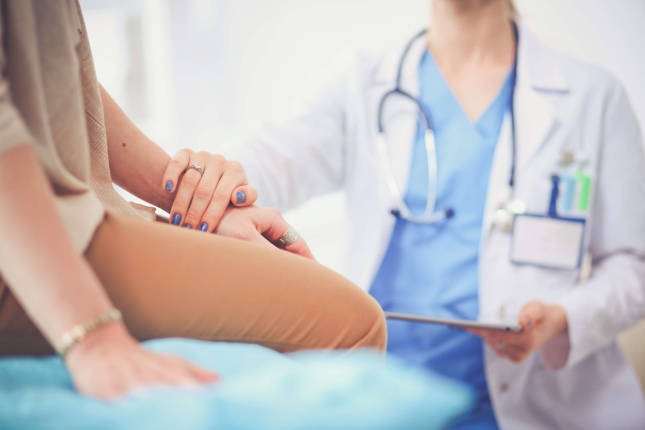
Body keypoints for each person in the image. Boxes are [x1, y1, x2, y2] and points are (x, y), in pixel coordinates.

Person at [179, 0, 645, 428]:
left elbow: (634, 267)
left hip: (530, 400)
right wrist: (223, 174)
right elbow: (278, 154)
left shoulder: (592, 97)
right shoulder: (364, 81)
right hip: (385, 393)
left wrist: (563, 317)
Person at [0, 0, 386, 400]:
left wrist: (196, 198)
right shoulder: (365, 76)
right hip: (26, 225)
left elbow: (50, 73)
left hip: (69, 207)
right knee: (351, 325)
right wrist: (92, 341)